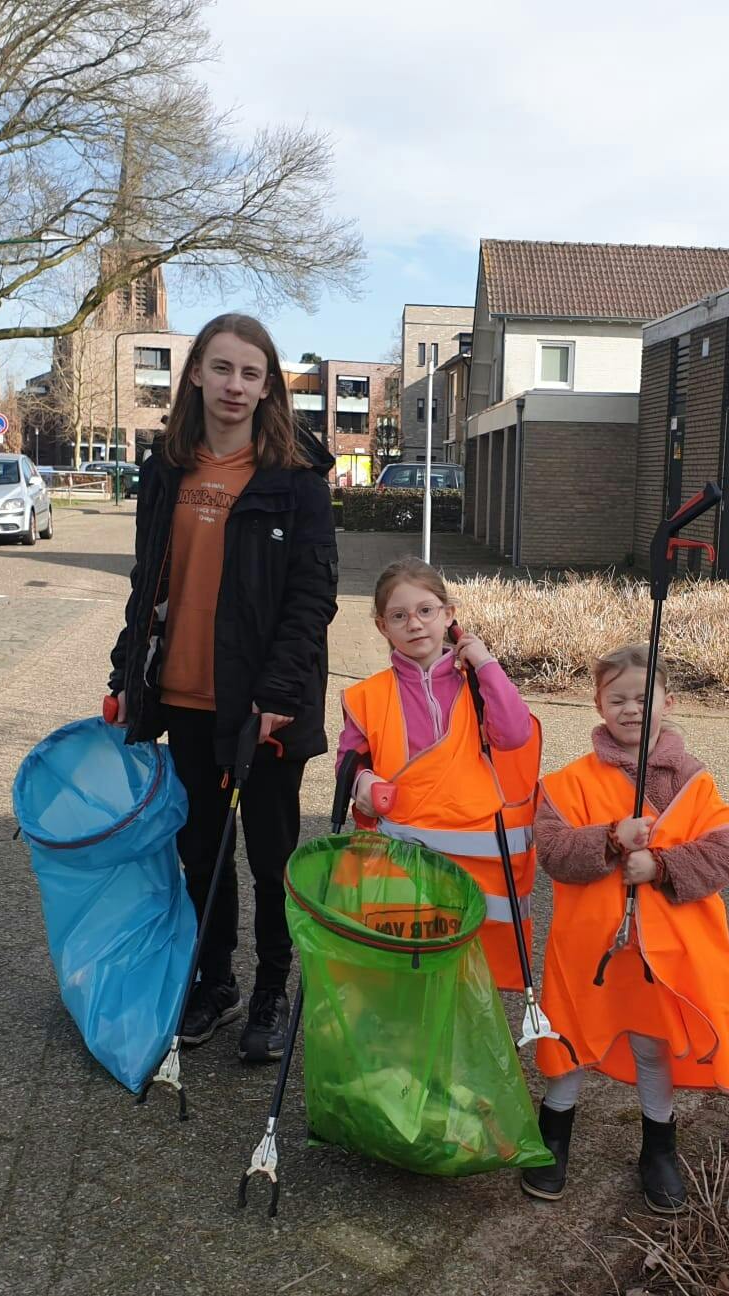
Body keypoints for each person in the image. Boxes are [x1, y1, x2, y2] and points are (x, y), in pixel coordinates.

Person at [106, 313, 339, 1064]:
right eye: (222, 368)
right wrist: (123, 672)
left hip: (265, 709)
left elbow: (313, 596)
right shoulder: (168, 468)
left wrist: (277, 693)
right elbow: (150, 582)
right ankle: (216, 981)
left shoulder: (296, 481)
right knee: (200, 851)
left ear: (268, 386)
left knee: (272, 859)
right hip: (184, 698)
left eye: (251, 373)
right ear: (196, 374)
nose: (235, 385)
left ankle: (272, 987)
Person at [525, 644, 729, 1214]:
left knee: (652, 1043)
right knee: (571, 1037)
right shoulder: (569, 783)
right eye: (616, 698)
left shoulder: (694, 783)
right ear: (598, 704)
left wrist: (664, 866)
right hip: (589, 950)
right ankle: (552, 1136)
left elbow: (724, 854)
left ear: (668, 702)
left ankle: (659, 1148)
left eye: (643, 698)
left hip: (661, 955)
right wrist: (611, 841)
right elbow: (552, 850)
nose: (629, 709)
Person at [338, 558, 540, 991]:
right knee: (407, 978)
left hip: (478, 867)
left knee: (469, 983)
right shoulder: (367, 696)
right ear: (381, 627)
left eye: (426, 611)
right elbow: (348, 762)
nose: (414, 624)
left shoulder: (478, 686)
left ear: (448, 615)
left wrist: (486, 665)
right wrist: (363, 783)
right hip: (401, 862)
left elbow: (515, 734)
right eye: (399, 615)